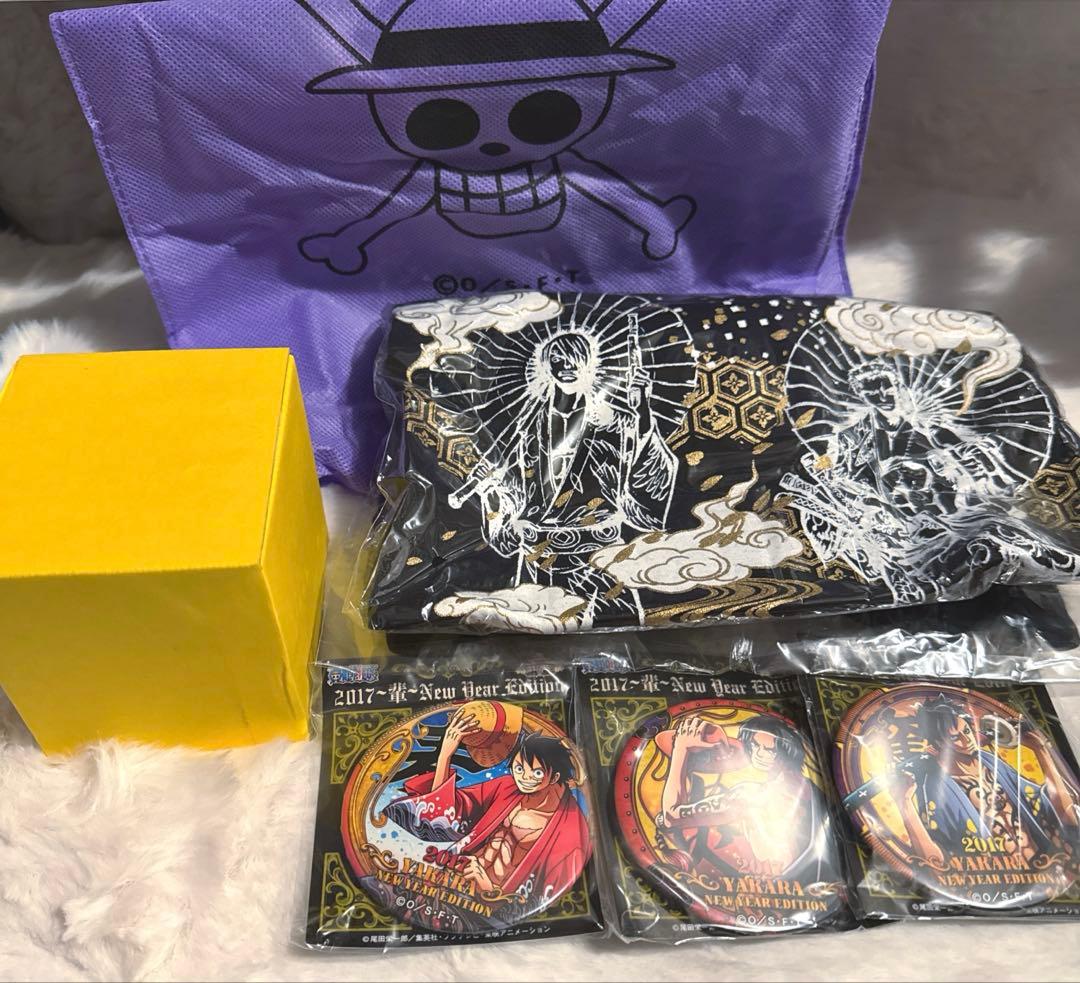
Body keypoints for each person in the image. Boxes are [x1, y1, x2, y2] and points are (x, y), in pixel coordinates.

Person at [463, 326, 680, 618]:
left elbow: (645, 470)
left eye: (575, 359)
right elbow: (512, 490)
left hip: (598, 557)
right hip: (537, 559)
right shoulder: (526, 427)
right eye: (558, 360)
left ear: (589, 365)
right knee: (533, 634)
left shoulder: (613, 420)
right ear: (545, 366)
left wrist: (641, 411)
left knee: (613, 624)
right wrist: (493, 492)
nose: (567, 367)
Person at [380, 706, 590, 926]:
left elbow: (547, 900)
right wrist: (445, 755)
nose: (524, 778)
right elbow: (444, 812)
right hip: (450, 882)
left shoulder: (571, 829)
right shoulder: (508, 787)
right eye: (519, 768)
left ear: (555, 776)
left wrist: (488, 888)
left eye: (536, 772)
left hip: (488, 913)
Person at [888, 694, 1080, 870]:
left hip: (1047, 866)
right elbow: (936, 861)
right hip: (998, 878)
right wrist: (904, 803)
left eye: (967, 730)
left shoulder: (992, 763)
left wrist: (1041, 751)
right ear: (937, 743)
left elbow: (1062, 813)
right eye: (955, 737)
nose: (967, 740)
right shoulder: (934, 787)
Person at [653, 712, 820, 878]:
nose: (758, 754)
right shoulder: (810, 788)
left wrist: (681, 749)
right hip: (810, 880)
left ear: (787, 752)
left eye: (770, 749)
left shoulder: (752, 795)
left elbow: (672, 817)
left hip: (787, 882)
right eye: (754, 745)